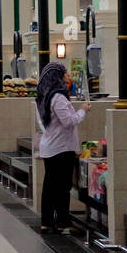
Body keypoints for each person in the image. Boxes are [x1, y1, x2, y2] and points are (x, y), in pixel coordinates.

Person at [35, 61, 90, 234]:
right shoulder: (57, 96)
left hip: (52, 146)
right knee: (61, 187)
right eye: (64, 73)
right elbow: (68, 121)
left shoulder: (44, 95)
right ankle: (63, 223)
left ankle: (47, 222)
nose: (68, 76)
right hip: (61, 148)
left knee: (50, 187)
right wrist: (82, 110)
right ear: (57, 76)